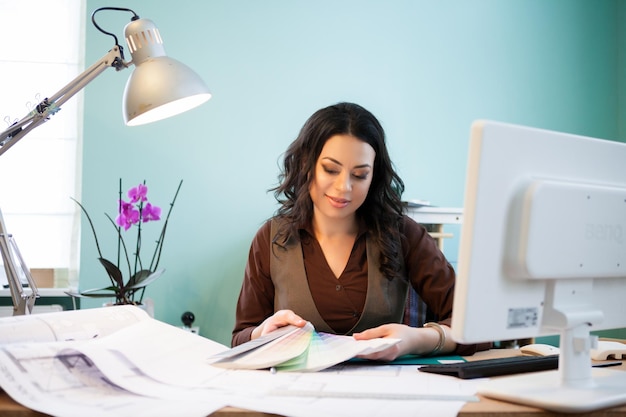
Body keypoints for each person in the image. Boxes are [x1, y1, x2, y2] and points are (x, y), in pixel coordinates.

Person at [232, 102, 480, 360]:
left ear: (374, 177)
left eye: (360, 175)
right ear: (307, 164)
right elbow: (239, 339)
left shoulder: (405, 235)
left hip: (385, 394)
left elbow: (475, 328)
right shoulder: (270, 239)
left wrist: (417, 339)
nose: (344, 187)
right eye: (330, 169)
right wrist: (262, 333)